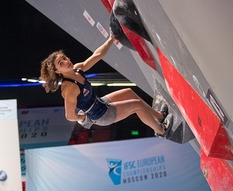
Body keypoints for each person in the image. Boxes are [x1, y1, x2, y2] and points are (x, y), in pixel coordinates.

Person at [39, 30, 172, 137]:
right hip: (101, 115)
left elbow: (97, 55)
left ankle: (159, 116)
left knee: (129, 92)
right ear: (57, 71)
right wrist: (84, 117)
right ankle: (161, 131)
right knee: (136, 105)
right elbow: (69, 116)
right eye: (61, 63)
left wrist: (111, 39)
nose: (66, 61)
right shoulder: (69, 88)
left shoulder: (77, 69)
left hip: (100, 102)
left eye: (64, 58)